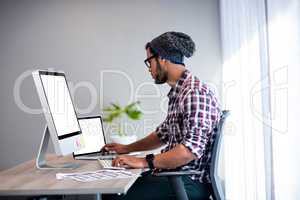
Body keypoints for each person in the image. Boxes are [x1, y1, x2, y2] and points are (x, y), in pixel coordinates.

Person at [101, 31, 221, 200]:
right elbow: (162, 135)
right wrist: (126, 149)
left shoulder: (194, 93)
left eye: (149, 61)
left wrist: (145, 162)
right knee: (111, 185)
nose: (149, 68)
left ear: (162, 58)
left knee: (110, 195)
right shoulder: (180, 92)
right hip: (176, 176)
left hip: (187, 182)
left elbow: (189, 151)